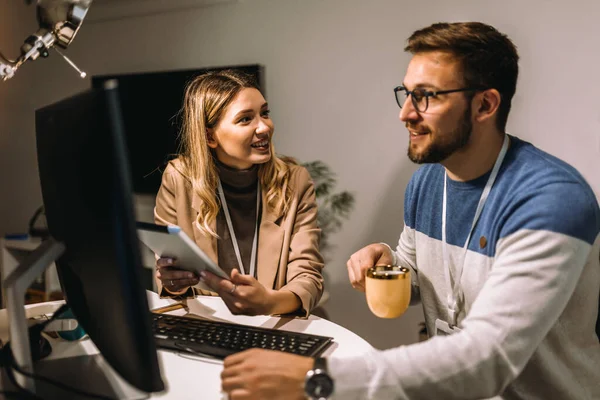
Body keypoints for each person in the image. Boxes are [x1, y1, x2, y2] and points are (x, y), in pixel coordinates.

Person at [219, 22, 600, 399]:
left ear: (485, 104)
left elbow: (488, 358)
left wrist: (315, 377)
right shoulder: (427, 182)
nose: (405, 114)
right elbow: (417, 278)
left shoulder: (551, 198)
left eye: (427, 96)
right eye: (407, 94)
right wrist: (392, 265)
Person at [154, 69, 324, 317]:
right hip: (208, 322)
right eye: (246, 119)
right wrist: (173, 282)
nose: (264, 127)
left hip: (271, 322)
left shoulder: (294, 182)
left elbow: (308, 277)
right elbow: (168, 281)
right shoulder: (178, 178)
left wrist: (269, 303)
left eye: (264, 114)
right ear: (210, 136)